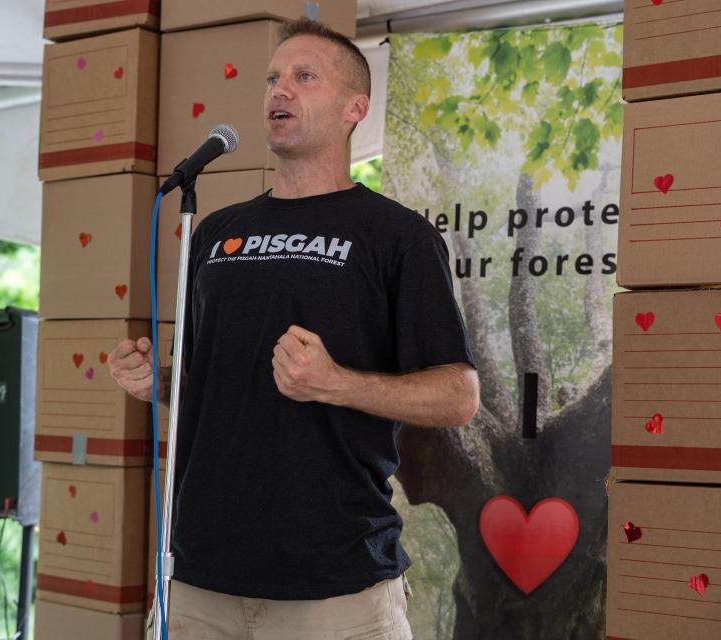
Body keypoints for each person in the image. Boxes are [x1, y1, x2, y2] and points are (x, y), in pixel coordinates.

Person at [109, 17, 479, 640]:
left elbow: (459, 396)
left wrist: (336, 383)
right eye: (273, 78)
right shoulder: (214, 232)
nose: (280, 90)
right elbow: (205, 383)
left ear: (354, 107)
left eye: (305, 76)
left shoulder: (398, 236)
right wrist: (157, 381)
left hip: (335, 584)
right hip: (198, 577)